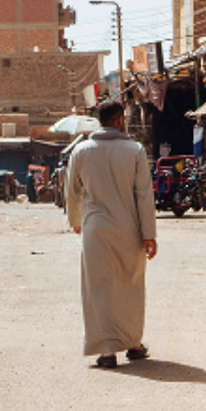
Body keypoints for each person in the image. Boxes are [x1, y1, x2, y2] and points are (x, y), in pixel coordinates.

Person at [65, 99, 157, 368]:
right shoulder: (135, 150)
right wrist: (149, 234)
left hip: (95, 229)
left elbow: (72, 192)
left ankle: (106, 351)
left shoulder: (81, 151)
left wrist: (76, 222)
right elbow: (143, 195)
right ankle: (133, 344)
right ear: (119, 120)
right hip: (129, 229)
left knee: (99, 287)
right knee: (130, 285)